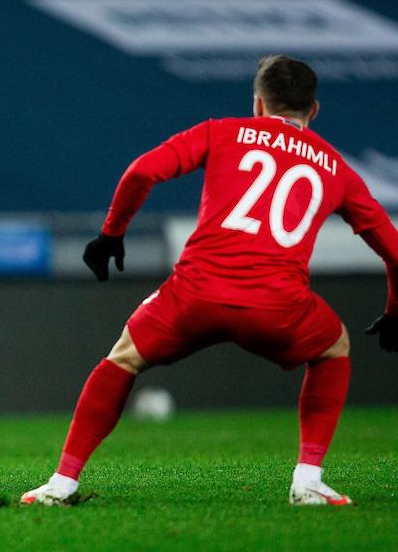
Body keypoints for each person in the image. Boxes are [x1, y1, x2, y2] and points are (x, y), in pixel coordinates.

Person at [20, 55, 398, 507]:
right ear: (314, 110)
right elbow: (392, 249)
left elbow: (142, 171)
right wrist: (395, 310)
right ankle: (309, 480)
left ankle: (61, 483)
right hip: (277, 306)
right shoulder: (336, 168)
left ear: (259, 104)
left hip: (195, 295)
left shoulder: (222, 131)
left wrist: (112, 233)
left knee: (123, 359)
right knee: (334, 346)